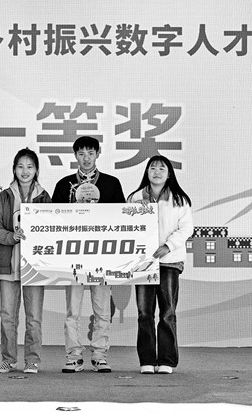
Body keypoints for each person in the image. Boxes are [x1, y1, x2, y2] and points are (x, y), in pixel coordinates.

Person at [51, 136, 125, 373]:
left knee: (102, 309)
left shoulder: (111, 183)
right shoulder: (64, 185)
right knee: (73, 311)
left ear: (98, 154)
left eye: (90, 153)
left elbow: (122, 217)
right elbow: (52, 219)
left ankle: (100, 355)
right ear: (75, 156)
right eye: (81, 153)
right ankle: (73, 355)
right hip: (73, 256)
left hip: (101, 256)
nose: (86, 158)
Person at [126, 154, 193, 374]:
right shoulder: (135, 198)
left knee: (167, 312)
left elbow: (186, 229)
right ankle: (146, 360)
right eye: (152, 168)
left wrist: (168, 246)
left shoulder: (179, 199)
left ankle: (166, 360)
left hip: (169, 262)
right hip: (143, 263)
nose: (156, 172)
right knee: (144, 312)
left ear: (169, 174)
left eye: (161, 169)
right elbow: (125, 226)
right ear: (146, 172)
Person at [0, 148, 51, 374]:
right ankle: (9, 359)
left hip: (35, 266)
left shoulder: (44, 197)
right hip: (8, 263)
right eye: (20, 166)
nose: (25, 171)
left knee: (34, 317)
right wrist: (10, 237)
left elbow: (52, 228)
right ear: (14, 169)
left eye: (30, 167)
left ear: (36, 170)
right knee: (8, 316)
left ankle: (32, 360)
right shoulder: (4, 196)